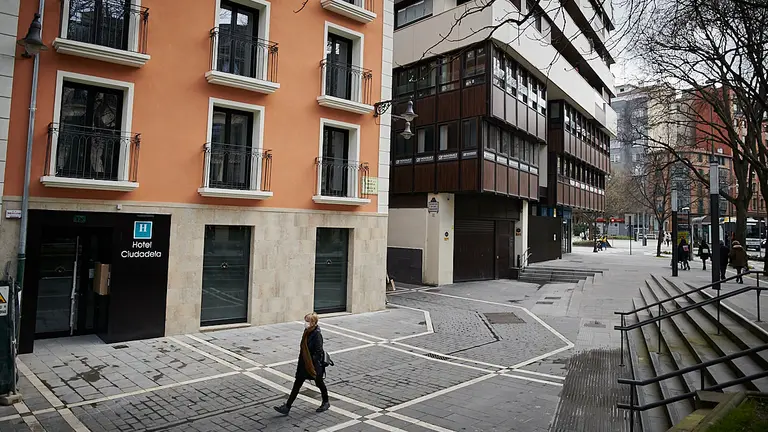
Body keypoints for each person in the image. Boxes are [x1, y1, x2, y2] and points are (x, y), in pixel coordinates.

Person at [274, 312, 330, 415]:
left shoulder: (317, 334)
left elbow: (318, 351)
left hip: (313, 366)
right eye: (305, 320)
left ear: (313, 322)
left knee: (319, 383)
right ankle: (287, 406)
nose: (305, 323)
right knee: (297, 385)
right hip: (304, 364)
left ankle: (326, 402)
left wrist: (310, 362)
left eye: (308, 321)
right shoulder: (307, 331)